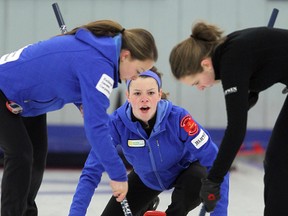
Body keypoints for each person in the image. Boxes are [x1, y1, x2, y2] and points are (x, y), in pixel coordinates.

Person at [0, 19, 158, 216]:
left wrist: (80, 100)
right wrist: (118, 174)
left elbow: (61, 73)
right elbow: (97, 129)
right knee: (20, 154)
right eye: (138, 72)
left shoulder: (97, 53)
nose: (135, 79)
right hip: (5, 90)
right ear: (125, 56)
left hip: (27, 101)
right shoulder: (99, 65)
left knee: (36, 159)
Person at [69, 67, 229, 216]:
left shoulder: (179, 119)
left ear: (159, 95)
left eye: (151, 93)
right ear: (128, 96)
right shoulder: (115, 124)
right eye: (137, 93)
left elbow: (216, 161)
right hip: (147, 177)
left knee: (198, 180)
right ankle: (148, 203)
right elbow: (91, 172)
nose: (144, 99)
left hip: (187, 170)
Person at [169, 21, 288, 215]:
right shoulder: (228, 50)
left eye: (196, 82)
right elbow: (269, 61)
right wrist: (251, 92)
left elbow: (235, 131)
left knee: (278, 161)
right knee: (277, 161)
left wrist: (214, 180)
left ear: (205, 64)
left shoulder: (231, 60)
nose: (200, 88)